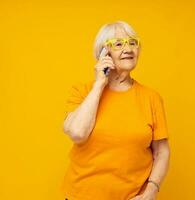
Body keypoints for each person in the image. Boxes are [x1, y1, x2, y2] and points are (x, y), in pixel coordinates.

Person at [60, 20, 170, 200]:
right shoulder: (82, 91)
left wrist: (152, 190)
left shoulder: (152, 98)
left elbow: (162, 151)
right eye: (118, 44)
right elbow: (78, 133)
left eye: (132, 42)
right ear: (104, 53)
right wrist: (99, 85)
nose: (128, 49)